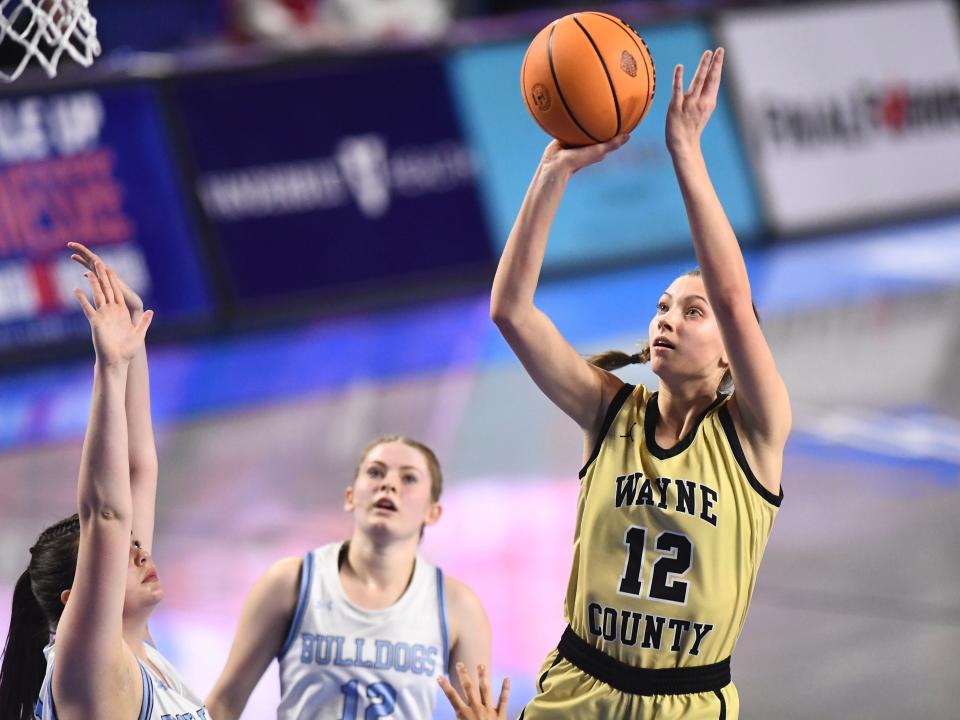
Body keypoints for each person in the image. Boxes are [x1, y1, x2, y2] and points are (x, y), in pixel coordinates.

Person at [490, 47, 790, 718]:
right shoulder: (608, 411)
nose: (667, 320)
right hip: (579, 688)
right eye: (662, 308)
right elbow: (511, 311)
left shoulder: (757, 430)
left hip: (686, 700)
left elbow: (736, 298)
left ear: (730, 356)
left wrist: (686, 151)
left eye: (692, 311)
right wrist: (552, 171)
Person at [0, 243, 212, 719]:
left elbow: (140, 468)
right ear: (76, 605)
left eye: (133, 547)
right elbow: (107, 514)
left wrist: (133, 351)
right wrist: (109, 369)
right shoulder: (87, 667)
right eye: (120, 555)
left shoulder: (145, 658)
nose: (139, 553)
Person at [206, 436, 492, 719]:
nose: (388, 484)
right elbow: (224, 702)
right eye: (375, 472)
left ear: (433, 512)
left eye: (409, 478)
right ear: (350, 496)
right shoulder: (290, 581)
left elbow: (479, 715)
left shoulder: (458, 605)